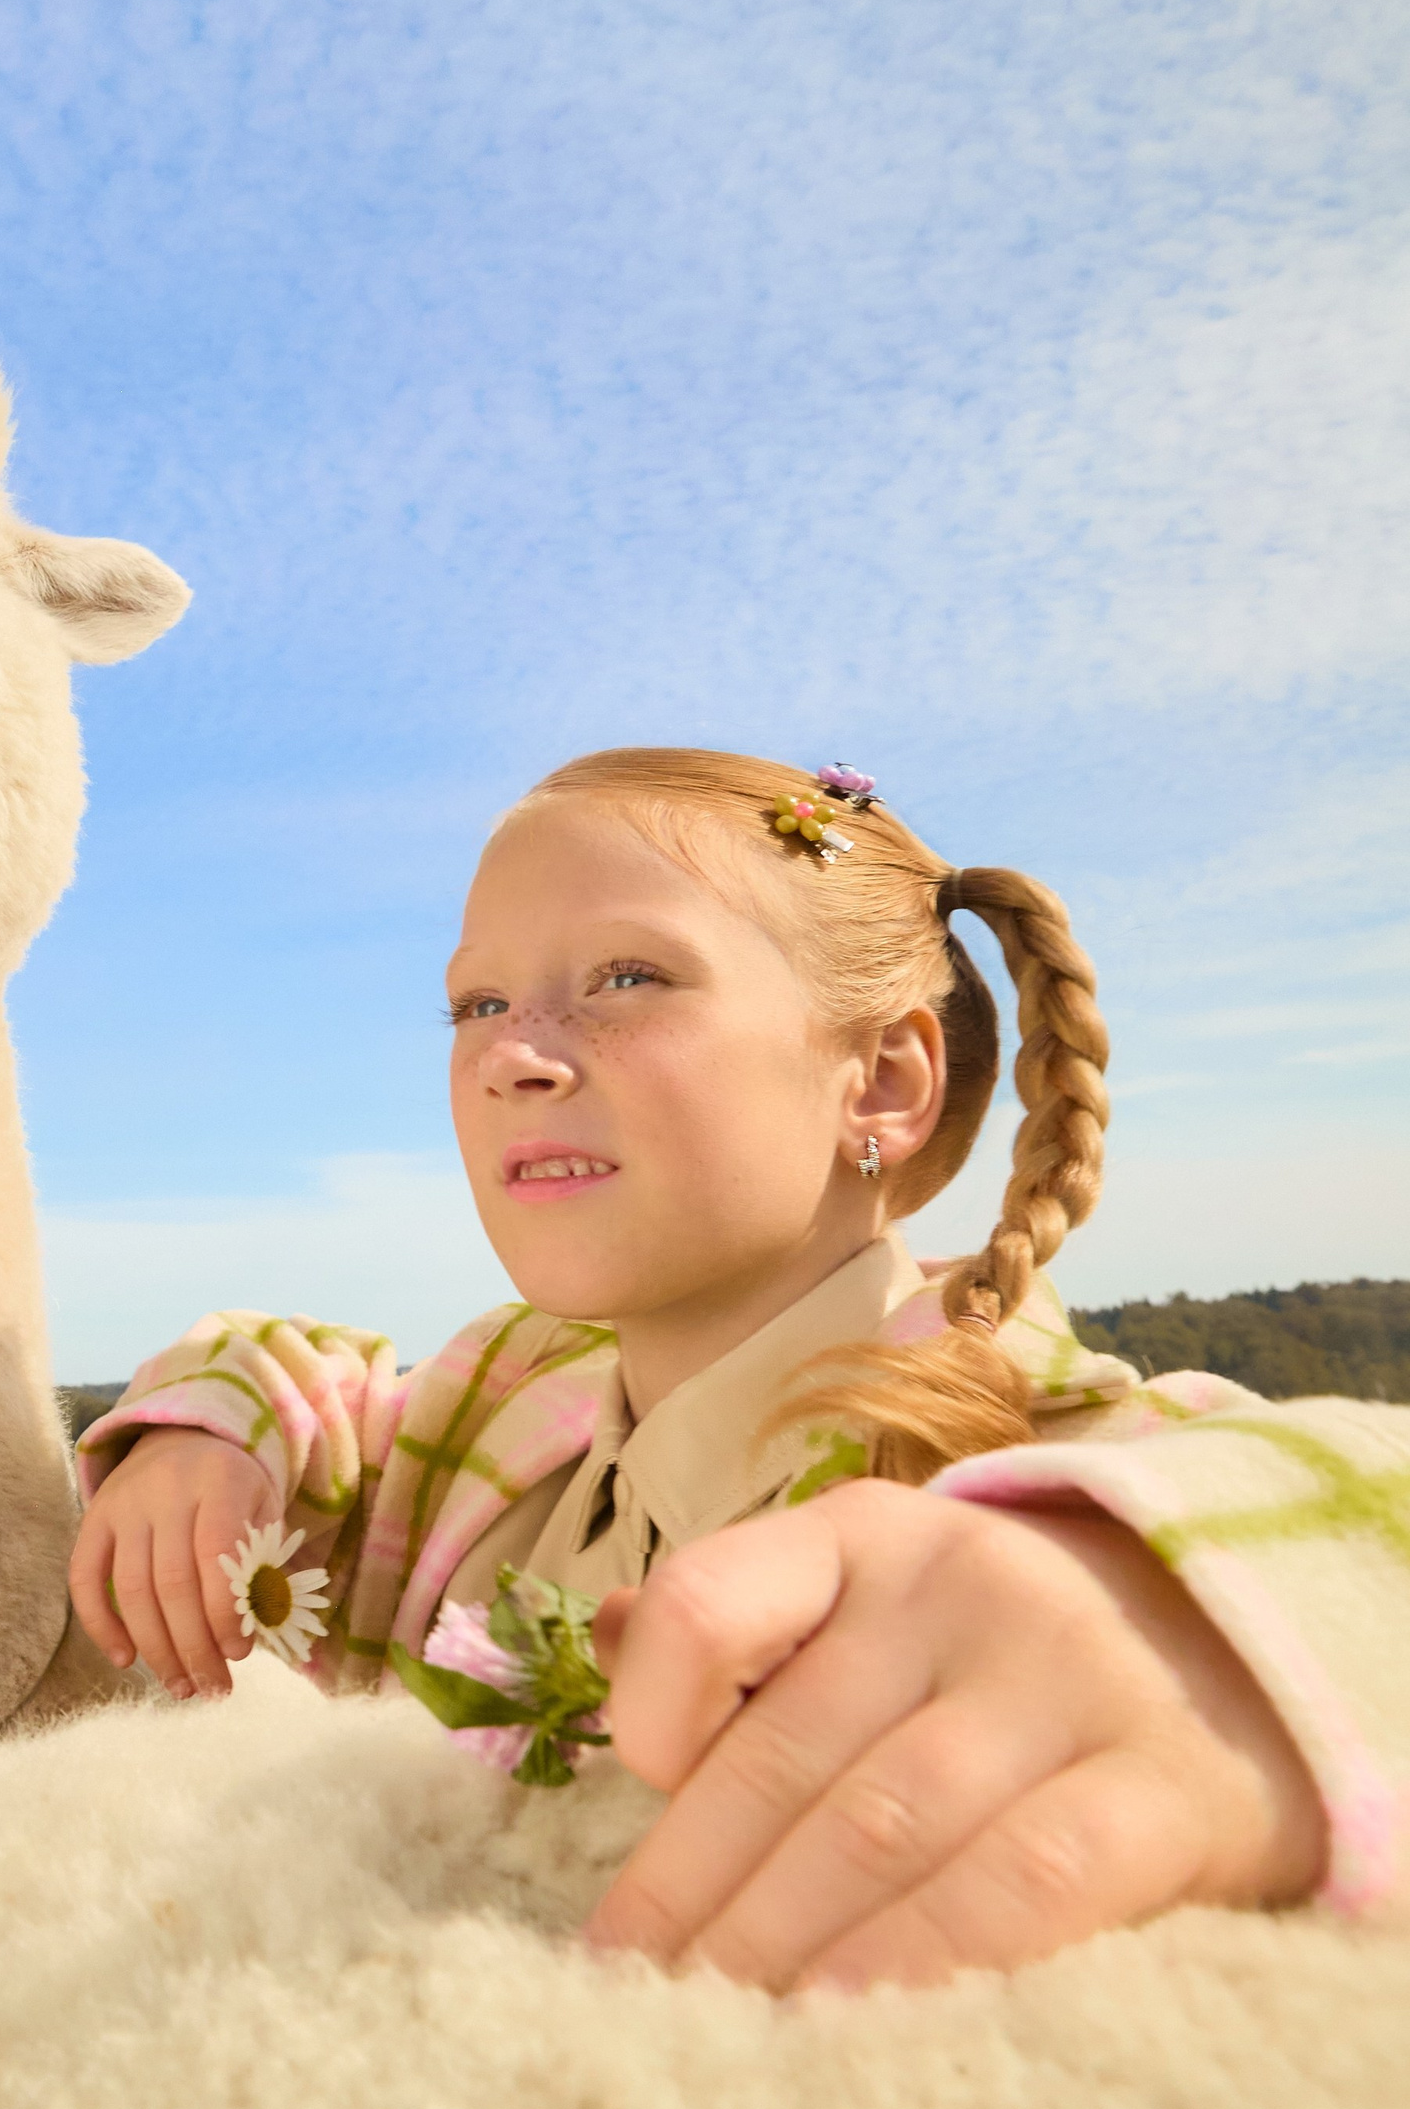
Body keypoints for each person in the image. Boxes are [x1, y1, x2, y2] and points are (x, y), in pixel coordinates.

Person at [69, 749, 1409, 1991]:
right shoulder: (496, 1393)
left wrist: (1182, 1623)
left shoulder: (1035, 1469)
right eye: (476, 1001)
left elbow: (1342, 1506)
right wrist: (216, 1432)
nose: (511, 1057)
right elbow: (312, 1386)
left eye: (628, 978)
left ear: (882, 1080)